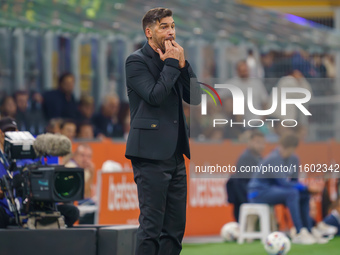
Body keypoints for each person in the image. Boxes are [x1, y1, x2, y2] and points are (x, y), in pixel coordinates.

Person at [125, 7, 201, 255]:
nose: (171, 32)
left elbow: (197, 98)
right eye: (164, 27)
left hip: (176, 155)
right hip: (150, 155)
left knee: (175, 229)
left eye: (173, 26)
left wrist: (183, 64)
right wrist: (171, 63)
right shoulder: (135, 61)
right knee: (151, 228)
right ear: (149, 32)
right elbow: (155, 96)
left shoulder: (174, 60)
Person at [247, 134, 328, 244]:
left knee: (304, 195)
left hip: (273, 190)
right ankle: (298, 233)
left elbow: (294, 181)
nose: (283, 150)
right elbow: (284, 183)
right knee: (293, 193)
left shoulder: (294, 159)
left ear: (293, 149)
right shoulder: (273, 158)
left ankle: (308, 230)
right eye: (282, 147)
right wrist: (307, 187)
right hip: (258, 193)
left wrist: (306, 190)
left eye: (287, 148)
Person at [0, 117, 79, 228]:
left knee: (72, 211)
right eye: (7, 131)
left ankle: (53, 231)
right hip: (8, 210)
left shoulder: (29, 156)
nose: (11, 134)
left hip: (33, 206)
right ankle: (13, 224)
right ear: (0, 134)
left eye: (14, 131)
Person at [226, 131, 265, 222]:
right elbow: (244, 184)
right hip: (244, 198)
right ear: (250, 142)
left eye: (262, 143)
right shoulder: (246, 158)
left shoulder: (259, 158)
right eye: (257, 142)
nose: (260, 145)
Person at [65, 144, 95, 224]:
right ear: (75, 156)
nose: (85, 159)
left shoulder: (86, 170)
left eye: (88, 156)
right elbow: (82, 195)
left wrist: (91, 174)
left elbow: (88, 195)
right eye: (82, 155)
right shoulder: (70, 168)